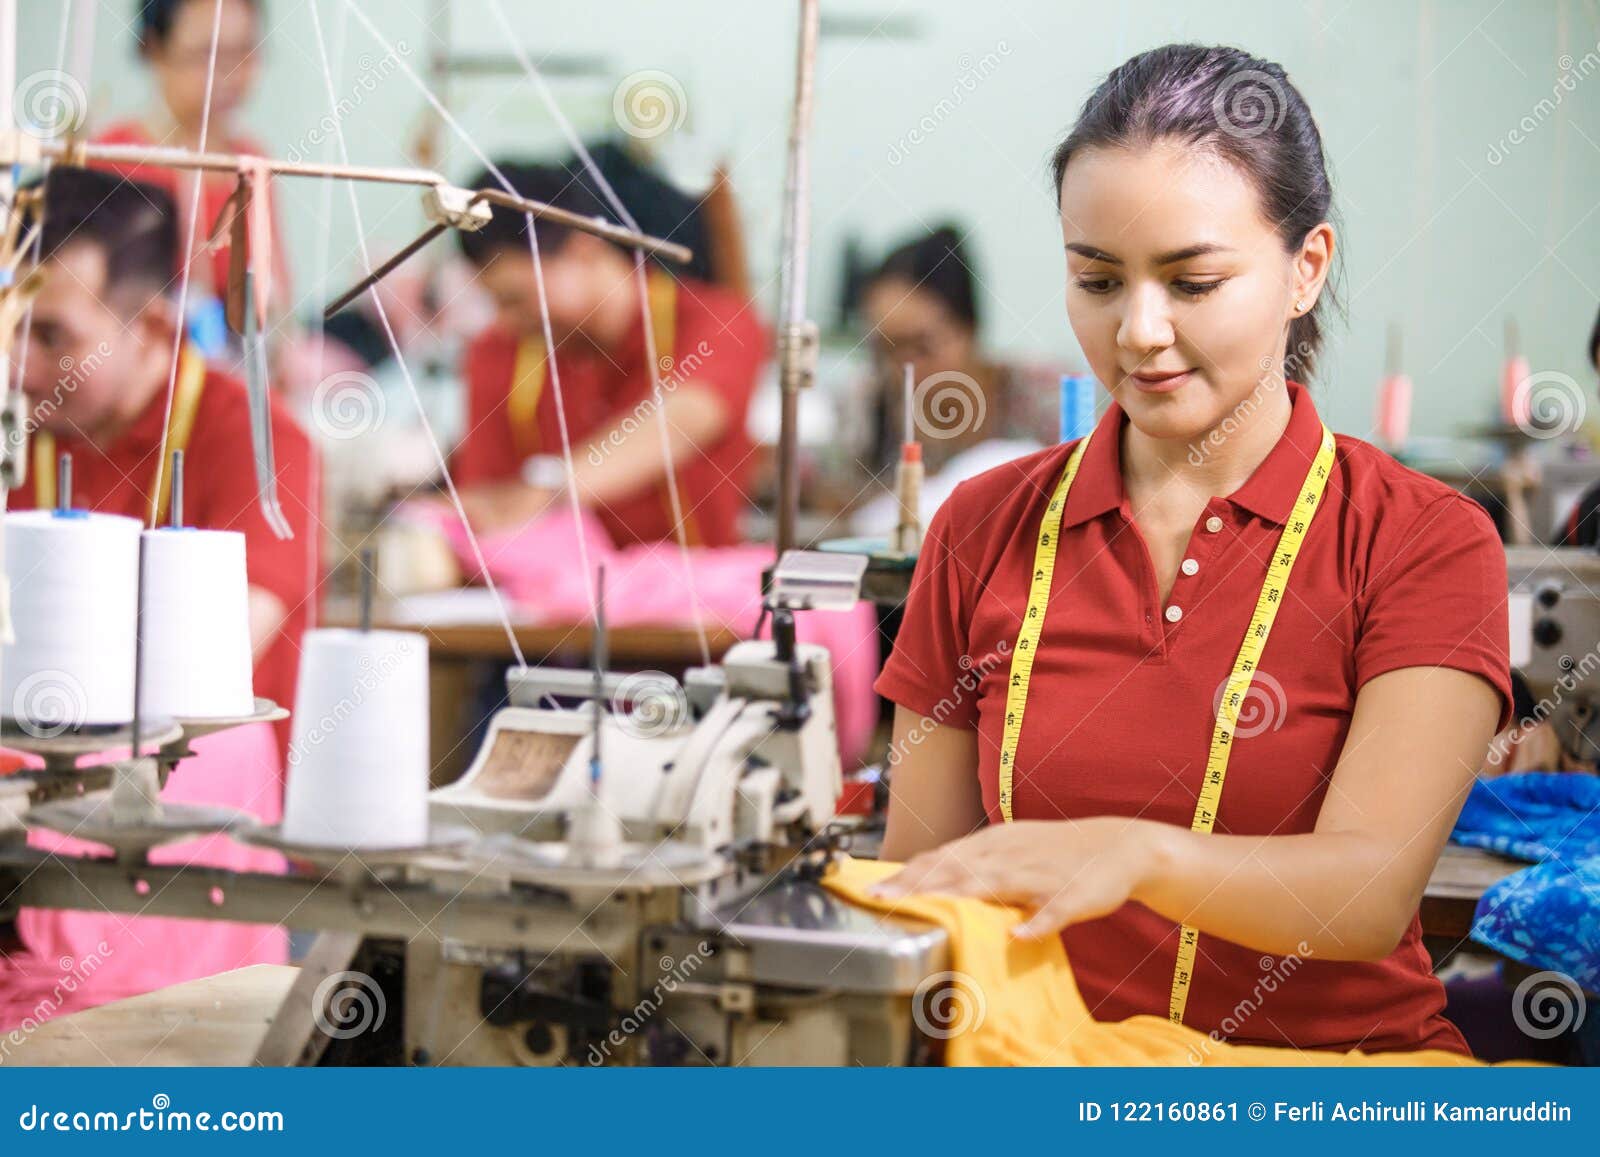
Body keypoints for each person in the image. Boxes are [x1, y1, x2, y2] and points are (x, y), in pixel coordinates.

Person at [872, 44, 1512, 1057]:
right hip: (1046, 1067)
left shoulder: (1421, 539)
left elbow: (1364, 892)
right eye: (1096, 278)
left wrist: (1132, 854)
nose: (1138, 331)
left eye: (1193, 280)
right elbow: (919, 875)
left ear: (1306, 269)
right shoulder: (982, 526)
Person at [0, 166, 316, 1027]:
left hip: (176, 834)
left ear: (149, 327)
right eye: (8, 328)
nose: (20, 365)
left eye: (52, 337)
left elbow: (213, 660)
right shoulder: (18, 430)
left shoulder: (253, 444)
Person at [450, 161, 767, 548]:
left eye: (516, 299)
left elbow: (685, 418)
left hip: (693, 602)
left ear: (585, 247)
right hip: (554, 604)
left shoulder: (716, 323)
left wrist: (552, 489)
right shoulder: (500, 350)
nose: (507, 319)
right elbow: (487, 500)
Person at [93, 0, 289, 324]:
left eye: (244, 52)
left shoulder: (252, 162)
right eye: (208, 55)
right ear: (154, 50)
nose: (231, 74)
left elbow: (278, 304)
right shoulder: (112, 158)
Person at [856, 225, 1061, 475]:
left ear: (970, 327)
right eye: (885, 349)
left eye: (922, 346)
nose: (905, 367)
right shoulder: (864, 411)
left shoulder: (1043, 398)